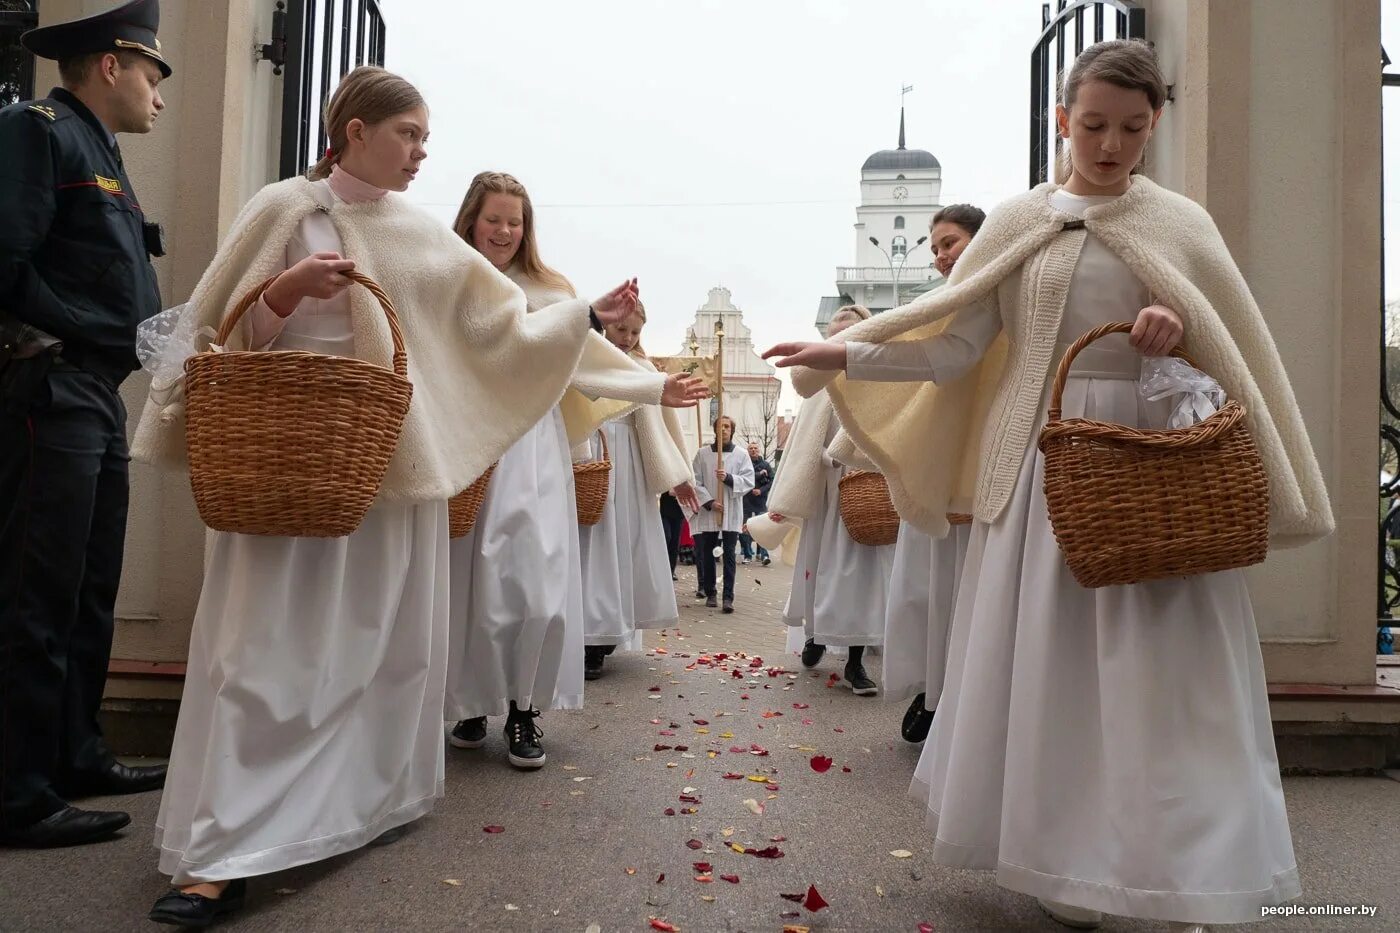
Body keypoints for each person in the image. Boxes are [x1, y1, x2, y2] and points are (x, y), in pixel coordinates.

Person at [765, 39, 1332, 932]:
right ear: (1060, 120)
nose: (1111, 145)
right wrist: (847, 351)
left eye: (1133, 129)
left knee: (1163, 671)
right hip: (1041, 464)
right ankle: (1065, 862)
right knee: (1052, 668)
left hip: (1147, 469)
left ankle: (1175, 861)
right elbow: (955, 344)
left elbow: (1220, 336)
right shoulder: (1017, 221)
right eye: (1095, 125)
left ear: (1154, 127)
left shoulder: (1180, 221)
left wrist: (1173, 321)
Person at [131, 67, 646, 927]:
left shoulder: (423, 236)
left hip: (382, 464)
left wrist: (586, 315)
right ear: (353, 130)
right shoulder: (281, 210)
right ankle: (222, 853)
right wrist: (283, 295)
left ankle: (354, 805)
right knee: (260, 654)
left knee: (374, 650)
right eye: (406, 133)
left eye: (425, 138)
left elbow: (503, 332)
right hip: (290, 461)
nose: (420, 152)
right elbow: (213, 340)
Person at [443, 171, 705, 768]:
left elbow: (590, 359)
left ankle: (524, 708)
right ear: (471, 220)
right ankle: (471, 701)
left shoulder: (552, 292)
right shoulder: (448, 276)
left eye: (516, 221)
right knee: (469, 579)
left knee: (534, 580)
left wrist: (654, 386)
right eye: (494, 219)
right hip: (469, 441)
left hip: (532, 449)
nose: (505, 231)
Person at [0, 0, 171, 850]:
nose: (159, 96)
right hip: (50, 386)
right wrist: (75, 328)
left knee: (88, 586)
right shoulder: (38, 131)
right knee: (36, 590)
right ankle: (18, 791)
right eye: (152, 74)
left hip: (97, 394)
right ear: (112, 64)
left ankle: (76, 753)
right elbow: (6, 262)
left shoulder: (100, 149)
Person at [880, 204, 985, 742]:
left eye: (952, 243)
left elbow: (944, 360)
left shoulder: (993, 294)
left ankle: (964, 698)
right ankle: (933, 687)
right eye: (937, 247)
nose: (943, 255)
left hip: (985, 458)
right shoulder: (936, 304)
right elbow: (912, 379)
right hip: (938, 463)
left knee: (972, 586)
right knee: (928, 587)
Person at [767, 305, 890, 697]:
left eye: (851, 335)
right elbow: (802, 449)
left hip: (867, 494)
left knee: (861, 580)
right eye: (836, 336)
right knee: (820, 571)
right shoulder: (817, 388)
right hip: (827, 493)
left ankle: (855, 661)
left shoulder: (879, 380)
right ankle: (816, 635)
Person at [579, 302, 700, 679]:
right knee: (593, 547)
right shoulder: (586, 359)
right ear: (606, 326)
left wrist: (677, 474)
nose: (628, 338)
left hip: (630, 466)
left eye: (635, 332)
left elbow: (663, 428)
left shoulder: (645, 370)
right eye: (621, 330)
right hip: (593, 456)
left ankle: (605, 635)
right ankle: (586, 628)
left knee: (625, 545)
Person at [690, 415, 754, 612]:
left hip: (731, 511)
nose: (724, 430)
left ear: (732, 430)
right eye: (720, 426)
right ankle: (710, 592)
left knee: (729, 555)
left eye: (727, 427)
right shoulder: (702, 454)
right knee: (709, 554)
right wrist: (709, 502)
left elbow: (749, 480)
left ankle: (728, 597)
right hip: (711, 511)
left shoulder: (741, 455)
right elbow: (695, 481)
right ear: (715, 430)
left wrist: (728, 478)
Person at [739, 441, 773, 564]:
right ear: (747, 451)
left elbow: (772, 481)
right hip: (746, 500)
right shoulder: (744, 464)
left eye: (755, 448)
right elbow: (743, 478)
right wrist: (759, 474)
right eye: (751, 448)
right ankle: (747, 555)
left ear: (758, 450)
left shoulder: (766, 465)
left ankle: (763, 555)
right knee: (744, 527)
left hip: (761, 500)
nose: (753, 450)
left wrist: (761, 490)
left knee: (763, 527)